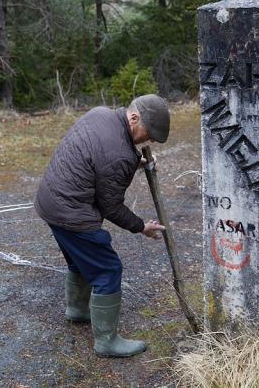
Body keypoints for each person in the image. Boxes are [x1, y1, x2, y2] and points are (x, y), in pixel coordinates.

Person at [34, 94, 169, 358]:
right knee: (108, 269)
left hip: (49, 202)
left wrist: (133, 162)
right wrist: (141, 226)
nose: (150, 140)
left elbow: (101, 156)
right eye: (149, 133)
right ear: (133, 117)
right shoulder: (119, 155)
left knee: (80, 260)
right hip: (72, 213)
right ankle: (107, 342)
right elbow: (112, 207)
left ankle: (77, 310)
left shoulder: (100, 114)